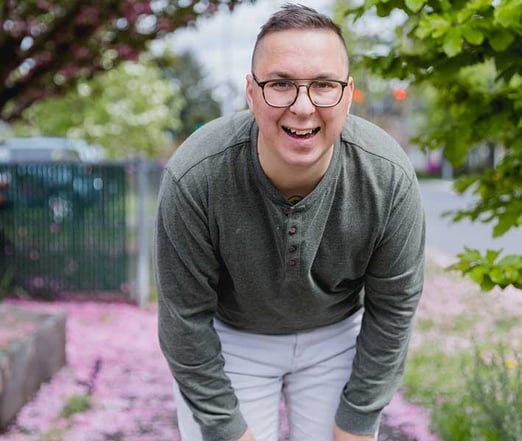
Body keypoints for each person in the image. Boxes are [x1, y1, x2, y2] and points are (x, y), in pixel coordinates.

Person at [154, 4, 425, 441]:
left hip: (335, 334)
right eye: (280, 84)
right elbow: (183, 318)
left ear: (348, 91)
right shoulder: (195, 175)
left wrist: (358, 419)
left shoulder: (387, 176)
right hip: (232, 337)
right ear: (251, 91)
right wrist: (225, 427)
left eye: (323, 85)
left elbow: (393, 306)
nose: (303, 107)